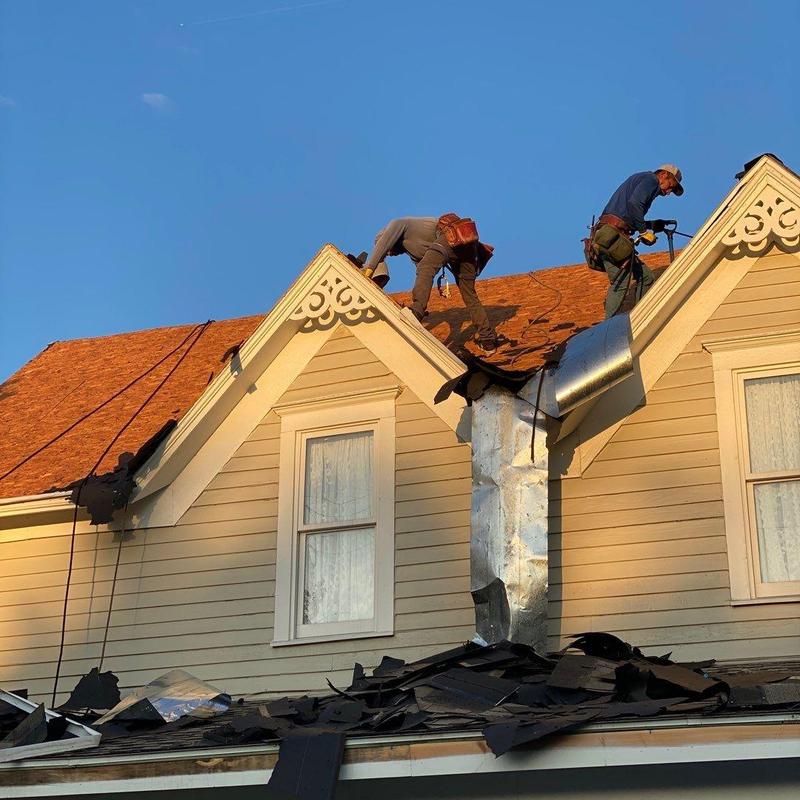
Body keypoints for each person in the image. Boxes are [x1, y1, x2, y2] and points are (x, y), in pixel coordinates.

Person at [363, 216, 500, 352]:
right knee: (469, 294)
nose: (390, 254)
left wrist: (366, 273)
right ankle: (487, 339)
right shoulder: (413, 251)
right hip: (466, 249)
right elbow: (424, 275)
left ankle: (417, 311)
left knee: (426, 268)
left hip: (454, 236)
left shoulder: (398, 224)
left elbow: (380, 249)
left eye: (389, 251)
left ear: (390, 239)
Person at [589, 164, 684, 318]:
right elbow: (635, 205)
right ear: (663, 175)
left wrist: (652, 225)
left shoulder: (642, 180)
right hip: (612, 237)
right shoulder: (650, 180)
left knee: (646, 277)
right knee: (622, 281)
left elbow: (629, 216)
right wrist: (643, 231)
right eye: (670, 187)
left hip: (610, 234)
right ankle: (609, 327)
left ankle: (638, 317)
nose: (668, 193)